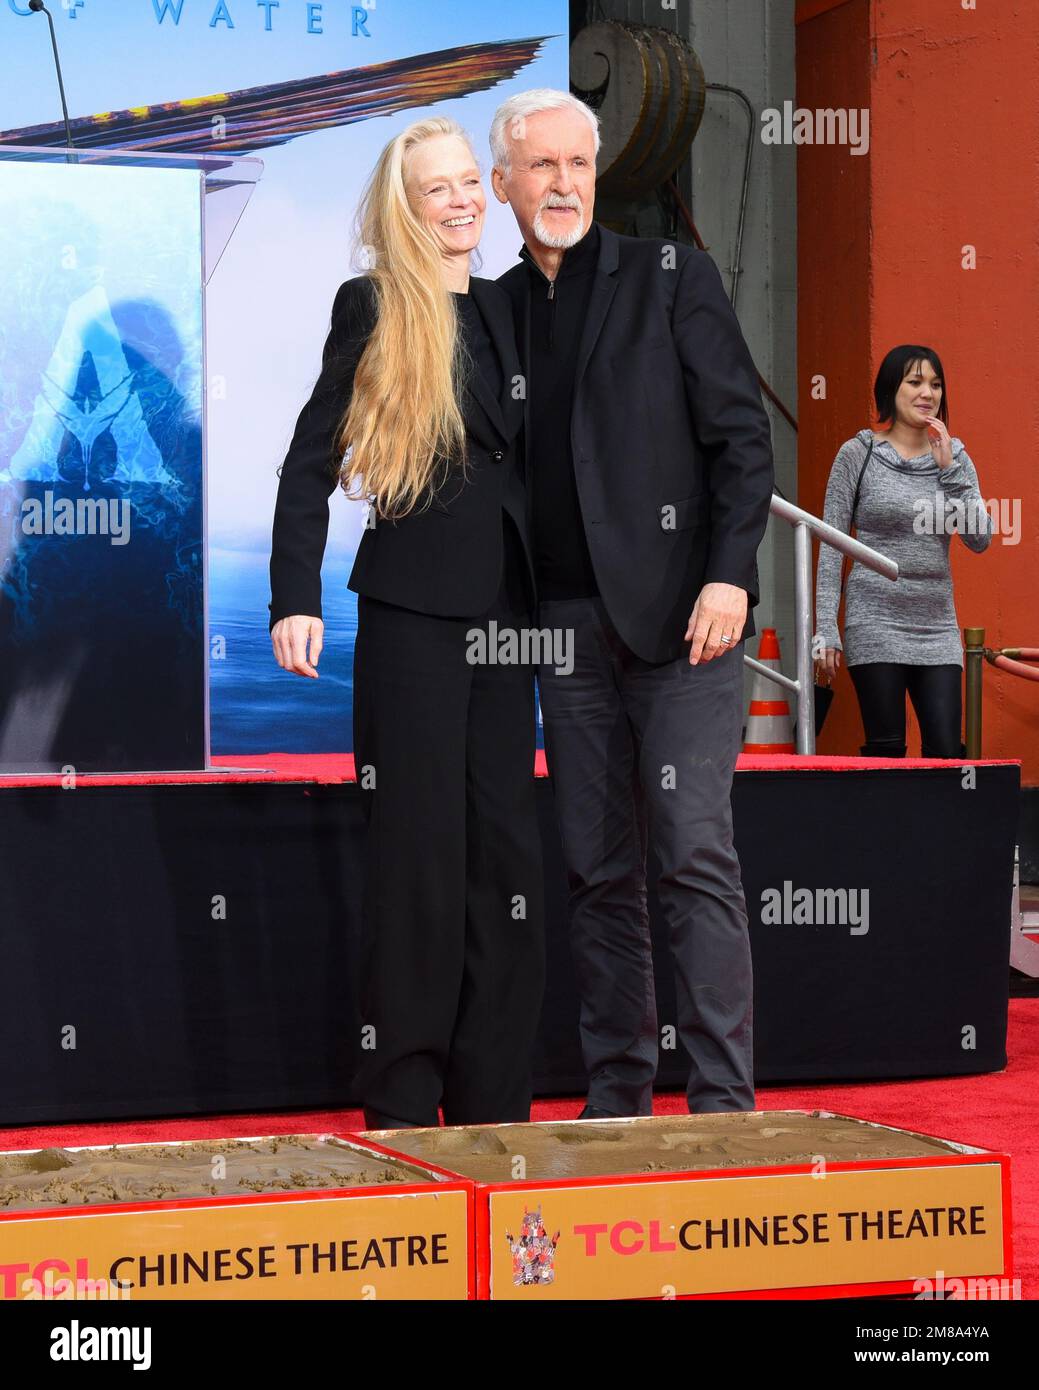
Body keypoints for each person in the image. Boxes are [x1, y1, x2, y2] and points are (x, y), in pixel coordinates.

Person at [490, 89, 775, 1118]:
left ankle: (721, 1108)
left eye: (578, 165)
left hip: (685, 626)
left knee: (692, 852)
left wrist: (728, 575)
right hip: (563, 631)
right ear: (503, 185)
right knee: (594, 870)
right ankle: (617, 1098)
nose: (562, 184)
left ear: (595, 176)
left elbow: (744, 442)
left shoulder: (671, 278)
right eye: (542, 167)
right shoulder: (494, 312)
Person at [268, 116, 543, 1129]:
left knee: (506, 867)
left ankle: (494, 1108)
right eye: (440, 188)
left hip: (511, 626)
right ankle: (400, 1102)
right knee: (418, 865)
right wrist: (294, 593)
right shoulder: (377, 303)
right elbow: (308, 459)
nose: (463, 199)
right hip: (412, 617)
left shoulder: (521, 308)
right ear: (406, 205)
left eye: (473, 180)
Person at [815, 345, 992, 758]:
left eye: (935, 384)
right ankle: (889, 824)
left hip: (936, 626)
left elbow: (980, 539)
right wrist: (826, 627)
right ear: (891, 391)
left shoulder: (956, 456)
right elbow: (831, 546)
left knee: (948, 751)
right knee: (886, 748)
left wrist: (950, 472)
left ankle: (940, 825)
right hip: (874, 620)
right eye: (915, 382)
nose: (927, 393)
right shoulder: (858, 454)